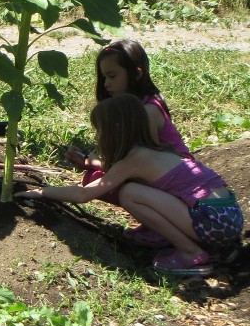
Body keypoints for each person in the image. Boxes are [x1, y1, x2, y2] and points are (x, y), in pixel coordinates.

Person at [23, 94, 243, 276]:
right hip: (228, 215)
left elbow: (83, 195)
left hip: (212, 220)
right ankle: (204, 244)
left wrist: (42, 192)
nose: (98, 136)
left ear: (115, 130)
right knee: (140, 189)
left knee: (129, 193)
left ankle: (191, 253)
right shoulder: (156, 149)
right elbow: (122, 170)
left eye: (100, 130)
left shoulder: (134, 160)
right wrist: (92, 162)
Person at [66, 39, 190, 247]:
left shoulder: (148, 112)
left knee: (106, 183)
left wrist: (95, 163)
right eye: (104, 77)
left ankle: (165, 230)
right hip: (153, 176)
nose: (106, 83)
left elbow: (141, 167)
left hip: (174, 184)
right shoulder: (134, 107)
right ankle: (156, 222)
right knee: (95, 178)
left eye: (112, 76)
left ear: (137, 74)